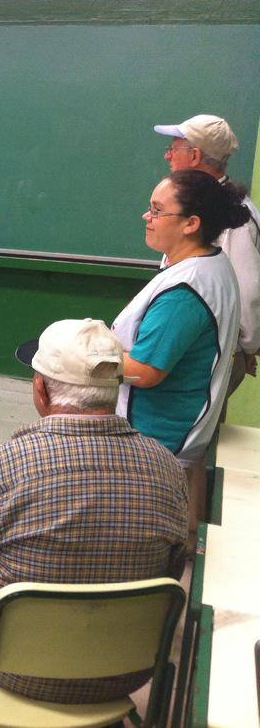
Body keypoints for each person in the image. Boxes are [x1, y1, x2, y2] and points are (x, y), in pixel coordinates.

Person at [0, 319, 186, 723]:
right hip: (125, 672)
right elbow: (170, 569)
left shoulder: (8, 463)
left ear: (41, 389)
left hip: (14, 669)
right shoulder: (168, 467)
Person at [112, 171, 249, 531]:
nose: (147, 217)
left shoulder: (187, 288)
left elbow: (146, 370)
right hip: (172, 429)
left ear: (191, 223)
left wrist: (90, 359)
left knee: (139, 531)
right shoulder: (205, 263)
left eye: (157, 211)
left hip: (158, 434)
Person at [153, 114, 260, 404]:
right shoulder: (200, 201)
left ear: (195, 155)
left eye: (173, 149)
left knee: (194, 434)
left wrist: (244, 350)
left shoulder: (233, 213)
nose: (167, 156)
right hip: (201, 344)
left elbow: (248, 291)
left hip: (215, 350)